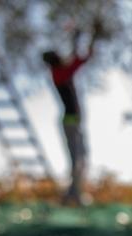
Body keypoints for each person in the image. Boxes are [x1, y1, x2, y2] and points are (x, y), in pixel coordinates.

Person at [42, 25, 98, 205]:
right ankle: (73, 195)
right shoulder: (60, 73)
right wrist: (77, 40)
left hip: (72, 121)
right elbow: (76, 61)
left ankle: (73, 194)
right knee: (77, 159)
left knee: (80, 158)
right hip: (70, 122)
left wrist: (78, 39)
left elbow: (76, 59)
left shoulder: (59, 72)